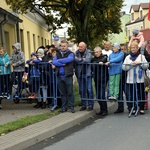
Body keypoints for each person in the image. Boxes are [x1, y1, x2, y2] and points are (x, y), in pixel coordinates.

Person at [122, 41, 149, 115]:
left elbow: (146, 65)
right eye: (132, 48)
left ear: (137, 48)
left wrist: (140, 63)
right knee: (132, 94)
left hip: (140, 79)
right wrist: (130, 64)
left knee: (141, 93)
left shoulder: (141, 56)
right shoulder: (127, 57)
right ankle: (133, 107)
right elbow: (124, 67)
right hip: (130, 79)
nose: (133, 49)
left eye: (134, 48)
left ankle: (142, 108)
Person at [52, 40, 75, 113]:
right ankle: (64, 107)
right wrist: (62, 64)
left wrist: (59, 61)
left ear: (67, 46)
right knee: (62, 93)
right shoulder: (58, 54)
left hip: (68, 75)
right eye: (62, 46)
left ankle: (71, 107)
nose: (63, 47)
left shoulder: (70, 53)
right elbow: (54, 62)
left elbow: (69, 59)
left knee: (70, 92)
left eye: (64, 46)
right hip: (59, 76)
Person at [75, 42, 94, 111]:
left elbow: (87, 60)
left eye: (81, 47)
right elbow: (75, 60)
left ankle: (90, 105)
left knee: (89, 89)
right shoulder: (76, 52)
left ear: (85, 47)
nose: (79, 48)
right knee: (81, 90)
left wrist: (79, 60)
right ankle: (83, 105)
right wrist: (81, 59)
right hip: (80, 73)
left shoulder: (88, 52)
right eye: (79, 46)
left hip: (87, 73)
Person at [91, 46, 108, 116]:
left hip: (103, 78)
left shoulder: (104, 56)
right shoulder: (93, 59)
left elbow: (103, 60)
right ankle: (101, 109)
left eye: (97, 52)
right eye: (95, 52)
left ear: (100, 52)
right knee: (98, 96)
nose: (96, 53)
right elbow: (92, 63)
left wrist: (99, 62)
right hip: (96, 78)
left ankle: (105, 110)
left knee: (102, 95)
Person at [114, 45, 128, 113]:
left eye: (123, 49)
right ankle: (120, 107)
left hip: (125, 76)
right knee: (119, 93)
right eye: (121, 49)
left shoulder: (127, 56)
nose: (121, 50)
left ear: (125, 50)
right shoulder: (117, 55)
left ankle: (130, 107)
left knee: (127, 93)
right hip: (118, 76)